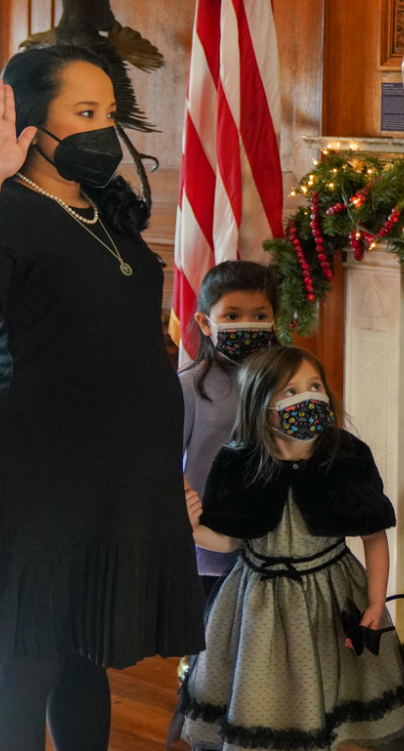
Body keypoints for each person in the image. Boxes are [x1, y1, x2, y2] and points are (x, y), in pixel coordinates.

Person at [0, 45, 204, 751]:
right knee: (34, 661)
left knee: (89, 648)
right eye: (83, 113)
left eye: (108, 114)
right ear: (30, 122)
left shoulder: (108, 211)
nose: (103, 131)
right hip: (35, 469)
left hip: (116, 469)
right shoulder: (4, 206)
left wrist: (156, 467)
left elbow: (130, 347)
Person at [179, 346, 404, 751]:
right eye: (290, 391)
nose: (307, 398)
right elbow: (228, 539)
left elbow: (373, 535)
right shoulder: (238, 460)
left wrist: (377, 602)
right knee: (260, 699)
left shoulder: (346, 456)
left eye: (314, 386)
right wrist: (190, 529)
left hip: (330, 597)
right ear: (262, 405)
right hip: (256, 603)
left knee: (331, 694)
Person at [166, 260, 282, 748]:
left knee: (257, 657)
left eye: (259, 315)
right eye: (232, 315)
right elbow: (166, 464)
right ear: (204, 322)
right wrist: (188, 519)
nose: (246, 326)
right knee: (211, 658)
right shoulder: (192, 386)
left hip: (271, 543)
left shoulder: (288, 380)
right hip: (210, 551)